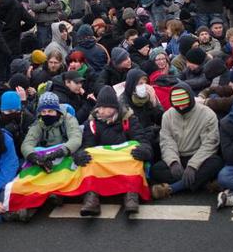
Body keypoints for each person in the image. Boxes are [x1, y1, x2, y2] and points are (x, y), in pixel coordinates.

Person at [75, 86, 152, 215]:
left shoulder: (129, 119)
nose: (101, 110)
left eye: (105, 107)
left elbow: (143, 141)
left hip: (124, 160)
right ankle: (91, 198)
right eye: (99, 107)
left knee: (134, 149)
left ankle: (131, 195)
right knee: (88, 155)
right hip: (103, 162)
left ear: (115, 107)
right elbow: (87, 145)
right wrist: (79, 155)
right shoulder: (92, 123)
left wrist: (144, 150)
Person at [150, 83, 222, 199]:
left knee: (216, 162)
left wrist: (193, 166)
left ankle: (173, 188)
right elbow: (166, 141)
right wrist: (173, 162)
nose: (182, 108)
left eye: (184, 105)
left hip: (200, 158)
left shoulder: (208, 114)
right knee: (156, 169)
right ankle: (201, 182)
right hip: (178, 157)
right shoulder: (168, 115)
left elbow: (209, 144)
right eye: (178, 106)